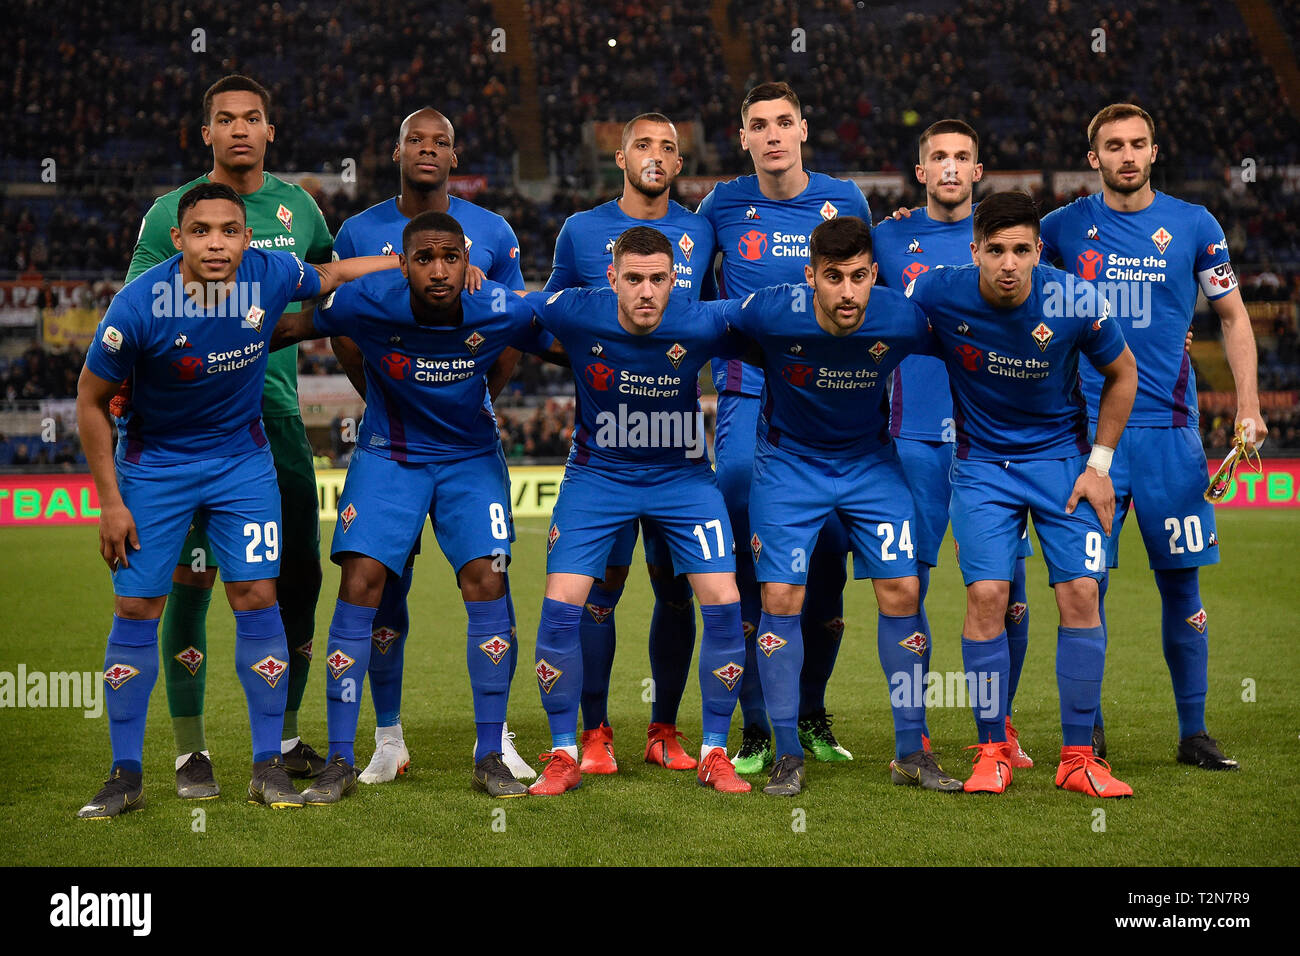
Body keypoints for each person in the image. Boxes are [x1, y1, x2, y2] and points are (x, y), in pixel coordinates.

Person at [76, 183, 396, 817]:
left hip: (242, 465)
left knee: (257, 597)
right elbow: (89, 401)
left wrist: (405, 261)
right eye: (201, 232)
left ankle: (265, 766)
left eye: (228, 231)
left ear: (247, 238)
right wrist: (110, 503)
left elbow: (332, 272)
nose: (215, 243)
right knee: (138, 604)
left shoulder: (273, 271)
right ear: (178, 238)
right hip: (155, 465)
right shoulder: (138, 305)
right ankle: (126, 773)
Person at [274, 211, 555, 802]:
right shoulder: (366, 301)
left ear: (467, 263)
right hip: (389, 457)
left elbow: (566, 335)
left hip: (469, 460)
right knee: (362, 584)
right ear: (403, 264)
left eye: (450, 257)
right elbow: (293, 326)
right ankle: (343, 759)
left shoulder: (499, 307)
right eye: (423, 258)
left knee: (488, 580)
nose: (437, 270)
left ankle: (488, 753)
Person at [124, 75, 333, 799]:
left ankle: (281, 736)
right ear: (205, 132)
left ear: (270, 130)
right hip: (190, 429)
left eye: (252, 118)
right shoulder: (170, 217)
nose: (239, 130)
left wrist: (284, 324)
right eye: (224, 120)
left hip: (275, 422)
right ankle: (189, 751)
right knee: (191, 581)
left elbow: (326, 294)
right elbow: (148, 314)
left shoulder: (298, 207)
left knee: (291, 580)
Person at [1039, 103, 1266, 769]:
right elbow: (1021, 294)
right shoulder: (1061, 228)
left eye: (1138, 143)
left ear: (1154, 151)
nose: (1127, 155)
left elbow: (1234, 317)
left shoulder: (1195, 225)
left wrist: (1247, 406)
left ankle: (1194, 732)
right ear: (1094, 157)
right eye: (1114, 145)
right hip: (1087, 440)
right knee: (1085, 588)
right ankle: (1089, 736)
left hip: (1171, 438)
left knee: (1183, 589)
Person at [906, 190, 1139, 797]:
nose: (1009, 264)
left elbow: (1123, 373)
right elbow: (880, 330)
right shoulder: (936, 291)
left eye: (1022, 250)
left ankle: (1079, 759)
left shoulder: (1076, 300)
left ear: (1039, 251)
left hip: (1063, 463)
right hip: (982, 465)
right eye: (996, 251)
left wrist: (1101, 465)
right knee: (987, 594)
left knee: (1082, 593)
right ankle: (993, 749)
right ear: (975, 251)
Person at [331, 107, 534, 784]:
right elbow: (340, 333)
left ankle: (494, 742)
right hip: (390, 446)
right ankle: (384, 741)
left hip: (467, 447)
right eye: (415, 139)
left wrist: (466, 397)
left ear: (455, 153)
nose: (426, 149)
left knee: (488, 579)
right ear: (395, 151)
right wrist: (397, 392)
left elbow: (510, 337)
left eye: (439, 140)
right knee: (375, 588)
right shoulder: (359, 232)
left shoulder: (495, 233)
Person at [730, 216, 963, 795]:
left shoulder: (900, 316)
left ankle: (912, 750)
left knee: (903, 592)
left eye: (859, 277)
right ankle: (786, 752)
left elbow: (970, 342)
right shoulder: (771, 310)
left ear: (874, 275)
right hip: (788, 467)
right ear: (811, 277)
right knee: (781, 597)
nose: (848, 291)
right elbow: (704, 326)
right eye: (833, 277)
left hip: (871, 465)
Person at [522, 226, 750, 796]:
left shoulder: (701, 319)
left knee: (723, 600)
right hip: (598, 475)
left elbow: (773, 321)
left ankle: (714, 751)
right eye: (634, 280)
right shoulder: (576, 310)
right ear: (612, 279)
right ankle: (564, 752)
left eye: (657, 279)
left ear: (675, 280)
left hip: (684, 477)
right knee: (562, 606)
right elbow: (500, 306)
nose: (646, 292)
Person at [697, 82, 872, 773]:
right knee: (749, 551)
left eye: (783, 123)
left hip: (828, 400)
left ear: (804, 129)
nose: (773, 135)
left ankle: (811, 710)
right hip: (748, 395)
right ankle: (757, 726)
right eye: (759, 125)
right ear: (743, 137)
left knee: (827, 555)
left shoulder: (846, 200)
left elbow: (868, 288)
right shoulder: (722, 205)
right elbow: (690, 286)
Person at [542, 112, 717, 774]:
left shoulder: (702, 230)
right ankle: (594, 734)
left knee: (677, 591)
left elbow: (717, 321)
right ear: (620, 156)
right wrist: (603, 372)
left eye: (668, 148)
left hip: (678, 449)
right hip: (606, 450)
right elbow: (553, 322)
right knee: (597, 593)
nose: (655, 154)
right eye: (643, 143)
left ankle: (664, 729)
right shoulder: (580, 232)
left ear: (679, 165)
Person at [873, 119, 1036, 768]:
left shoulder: (1007, 241)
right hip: (912, 440)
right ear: (920, 172)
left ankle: (999, 731)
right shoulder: (888, 235)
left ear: (977, 170)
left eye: (961, 157)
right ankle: (911, 740)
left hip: (993, 446)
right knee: (904, 590)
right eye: (937, 156)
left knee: (1009, 595)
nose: (948, 166)